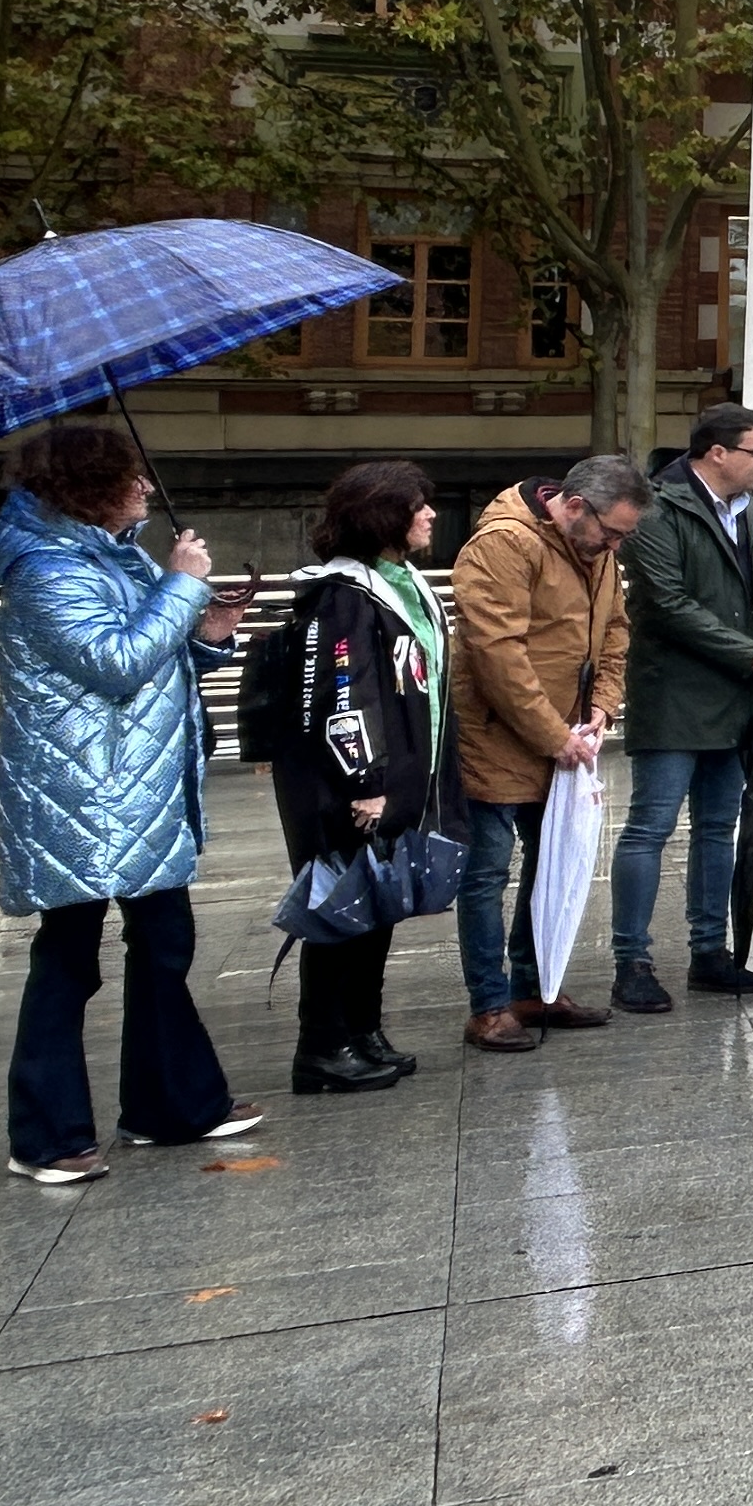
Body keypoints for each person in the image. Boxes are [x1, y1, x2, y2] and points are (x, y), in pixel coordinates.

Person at [0, 425, 255, 1179]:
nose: (144, 488)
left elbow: (156, 650)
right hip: (77, 795)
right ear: (87, 487)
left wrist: (209, 633)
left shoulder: (110, 552)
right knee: (69, 959)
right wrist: (181, 584)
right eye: (129, 478)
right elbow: (114, 662)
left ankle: (172, 1106)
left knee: (165, 944)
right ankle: (45, 1136)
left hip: (136, 788)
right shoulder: (45, 567)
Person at [262, 459, 448, 1093]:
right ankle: (321, 1047)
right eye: (416, 505)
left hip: (399, 777)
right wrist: (365, 779)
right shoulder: (341, 595)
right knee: (341, 911)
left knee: (377, 907)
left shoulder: (398, 581)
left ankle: (362, 1031)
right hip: (350, 785)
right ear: (381, 516)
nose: (429, 514)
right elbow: (344, 693)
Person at [452, 453, 644, 1045]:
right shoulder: (504, 542)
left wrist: (601, 707)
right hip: (494, 735)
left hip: (563, 736)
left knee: (551, 866)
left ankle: (535, 990)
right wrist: (553, 733)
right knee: (486, 873)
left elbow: (614, 631)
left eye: (623, 537)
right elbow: (497, 653)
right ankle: (489, 1005)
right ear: (575, 506)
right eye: (609, 533)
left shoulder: (596, 550)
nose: (614, 547)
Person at [614, 402, 753, 1007]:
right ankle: (631, 962)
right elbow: (664, 603)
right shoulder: (658, 507)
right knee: (651, 828)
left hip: (737, 697)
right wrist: (750, 651)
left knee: (719, 829)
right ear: (717, 453)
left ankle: (709, 953)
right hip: (673, 693)